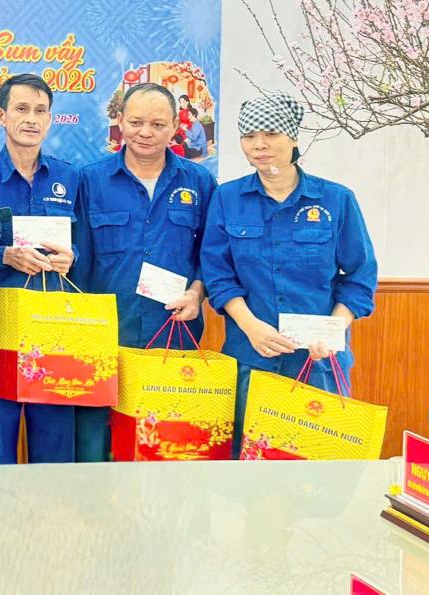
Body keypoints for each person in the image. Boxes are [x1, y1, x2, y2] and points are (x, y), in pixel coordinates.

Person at [200, 93, 377, 454]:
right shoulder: (227, 198)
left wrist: (333, 330)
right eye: (249, 137)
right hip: (251, 357)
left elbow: (359, 277)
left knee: (316, 470)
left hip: (319, 363)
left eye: (271, 133)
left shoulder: (336, 200)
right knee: (252, 466)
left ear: (294, 138)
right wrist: (251, 327)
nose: (259, 145)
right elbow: (217, 274)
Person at [72, 82, 216, 462]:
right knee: (93, 448)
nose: (145, 133)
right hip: (104, 339)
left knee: (166, 447)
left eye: (157, 124)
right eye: (135, 122)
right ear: (119, 121)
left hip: (173, 334)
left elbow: (213, 255)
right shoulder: (91, 180)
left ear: (175, 128)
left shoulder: (199, 182)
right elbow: (78, 259)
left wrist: (197, 293)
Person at [0, 73, 81, 465]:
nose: (31, 119)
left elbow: (83, 243)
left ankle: (51, 524)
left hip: (54, 326)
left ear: (50, 119)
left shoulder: (69, 176)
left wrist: (72, 257)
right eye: (21, 109)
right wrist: (4, 256)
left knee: (54, 438)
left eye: (40, 111)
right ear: (1, 115)